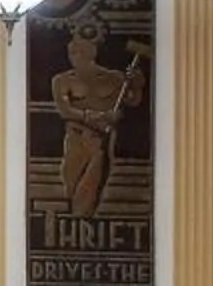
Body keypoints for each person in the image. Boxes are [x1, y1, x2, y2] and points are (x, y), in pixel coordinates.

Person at [48, 22, 144, 218]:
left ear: (91, 52)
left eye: (79, 52)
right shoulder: (62, 80)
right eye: (72, 52)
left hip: (100, 141)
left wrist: (137, 84)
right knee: (71, 184)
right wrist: (99, 116)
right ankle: (74, 227)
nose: (74, 56)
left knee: (91, 189)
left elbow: (133, 100)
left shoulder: (115, 79)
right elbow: (65, 111)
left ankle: (83, 222)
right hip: (75, 139)